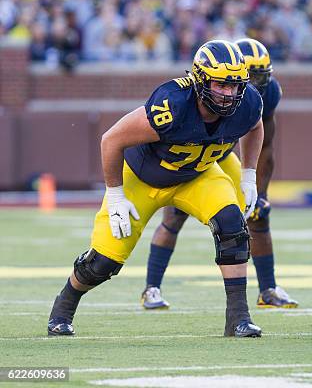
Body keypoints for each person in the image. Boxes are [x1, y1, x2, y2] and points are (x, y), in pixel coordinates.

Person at [48, 40, 264, 338]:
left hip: (196, 176)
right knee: (103, 262)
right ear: (200, 80)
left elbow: (255, 126)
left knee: (232, 226)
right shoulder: (173, 103)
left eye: (234, 85)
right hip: (142, 179)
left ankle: (239, 318)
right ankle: (64, 305)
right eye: (220, 84)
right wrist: (115, 194)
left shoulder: (248, 102)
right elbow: (111, 140)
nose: (229, 93)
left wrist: (249, 174)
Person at [141, 38, 298, 310]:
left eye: (260, 76)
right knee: (174, 217)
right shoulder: (205, 89)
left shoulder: (266, 93)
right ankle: (151, 288)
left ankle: (268, 289)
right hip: (199, 149)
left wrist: (259, 191)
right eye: (250, 76)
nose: (255, 85)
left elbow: (265, 144)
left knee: (258, 211)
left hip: (228, 152)